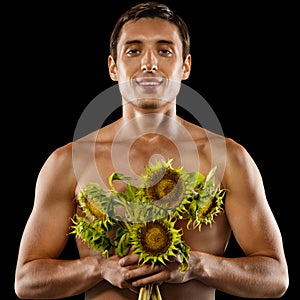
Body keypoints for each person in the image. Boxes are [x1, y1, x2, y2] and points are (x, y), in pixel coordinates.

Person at [14, 2, 289, 299]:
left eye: (164, 50)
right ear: (113, 68)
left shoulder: (228, 159)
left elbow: (275, 277)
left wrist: (196, 265)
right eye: (133, 51)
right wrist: (98, 268)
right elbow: (27, 280)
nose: (149, 63)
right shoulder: (68, 162)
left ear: (185, 67)